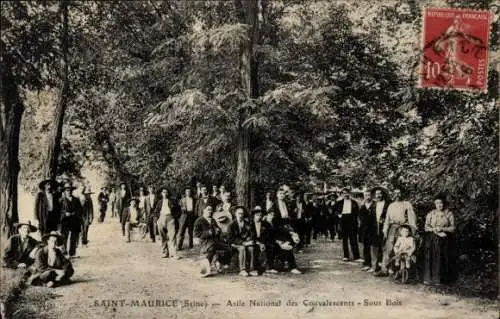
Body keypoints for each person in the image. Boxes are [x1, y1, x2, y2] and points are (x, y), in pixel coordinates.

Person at [378, 187, 416, 276]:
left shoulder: (407, 204)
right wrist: (385, 230)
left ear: (402, 194)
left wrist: (412, 230)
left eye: (399, 193)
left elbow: (412, 218)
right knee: (389, 248)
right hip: (392, 228)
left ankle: (400, 270)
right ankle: (384, 269)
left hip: (403, 229)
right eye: (395, 193)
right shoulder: (391, 205)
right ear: (393, 194)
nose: (397, 195)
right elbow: (387, 219)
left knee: (402, 248)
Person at [423, 195, 456, 285]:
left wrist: (442, 228)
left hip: (445, 239)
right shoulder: (431, 213)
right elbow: (426, 227)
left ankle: (440, 280)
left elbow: (453, 228)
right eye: (437, 203)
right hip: (432, 238)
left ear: (444, 203)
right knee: (430, 257)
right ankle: (429, 279)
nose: (439, 205)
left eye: (440, 203)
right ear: (434, 204)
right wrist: (433, 229)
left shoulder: (448, 213)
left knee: (442, 257)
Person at [194, 206, 230, 277]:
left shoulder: (213, 220)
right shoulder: (199, 220)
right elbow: (196, 234)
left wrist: (218, 231)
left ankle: (220, 263)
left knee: (228, 248)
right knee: (211, 249)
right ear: (203, 211)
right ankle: (206, 269)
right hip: (205, 242)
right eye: (208, 210)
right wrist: (208, 233)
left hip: (215, 241)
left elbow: (217, 229)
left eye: (211, 210)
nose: (210, 211)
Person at [228, 206, 257, 277]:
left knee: (251, 248)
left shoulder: (247, 223)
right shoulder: (232, 225)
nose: (240, 215)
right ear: (235, 214)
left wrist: (249, 240)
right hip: (235, 244)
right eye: (239, 213)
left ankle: (251, 269)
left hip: (246, 242)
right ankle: (242, 269)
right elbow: (231, 238)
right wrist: (243, 243)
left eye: (242, 213)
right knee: (242, 248)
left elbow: (252, 234)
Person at [333, 188, 361, 261]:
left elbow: (358, 212)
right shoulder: (339, 202)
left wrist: (357, 221)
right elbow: (334, 211)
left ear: (349, 193)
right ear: (342, 194)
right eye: (344, 193)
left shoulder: (354, 202)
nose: (345, 194)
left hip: (352, 220)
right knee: (344, 239)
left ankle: (356, 256)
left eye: (346, 193)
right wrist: (338, 215)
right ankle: (346, 256)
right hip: (343, 220)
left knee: (353, 239)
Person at [154, 187, 179, 258]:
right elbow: (155, 212)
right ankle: (165, 253)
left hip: (170, 218)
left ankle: (174, 253)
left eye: (166, 192)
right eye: (163, 192)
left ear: (168, 193)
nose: (165, 194)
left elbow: (178, 210)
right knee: (162, 236)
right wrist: (157, 220)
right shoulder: (159, 202)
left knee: (172, 236)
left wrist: (174, 217)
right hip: (161, 218)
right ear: (161, 194)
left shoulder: (173, 201)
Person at [59, 183, 83, 258]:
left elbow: (80, 210)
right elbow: (58, 211)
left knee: (74, 237)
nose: (68, 191)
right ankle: (64, 253)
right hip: (65, 221)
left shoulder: (76, 199)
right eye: (67, 190)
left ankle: (72, 253)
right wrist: (64, 214)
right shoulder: (61, 201)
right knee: (64, 237)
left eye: (70, 190)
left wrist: (75, 213)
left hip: (74, 220)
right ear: (64, 191)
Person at [370, 187, 389, 273]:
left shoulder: (387, 204)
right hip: (374, 228)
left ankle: (384, 268)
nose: (378, 195)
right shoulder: (373, 205)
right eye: (377, 194)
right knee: (374, 247)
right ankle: (375, 267)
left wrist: (385, 220)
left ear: (383, 194)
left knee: (385, 246)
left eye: (380, 193)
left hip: (384, 227)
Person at [250, 206, 273, 273]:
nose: (259, 217)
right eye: (257, 215)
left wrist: (263, 243)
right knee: (254, 249)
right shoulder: (249, 224)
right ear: (254, 216)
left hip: (263, 242)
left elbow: (268, 236)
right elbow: (250, 236)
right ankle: (255, 267)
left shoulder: (266, 224)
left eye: (260, 215)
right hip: (254, 242)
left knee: (271, 246)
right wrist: (258, 243)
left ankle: (269, 266)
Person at [359, 189, 374, 270]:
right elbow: (360, 217)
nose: (368, 197)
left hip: (373, 228)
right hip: (364, 229)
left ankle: (374, 263)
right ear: (364, 196)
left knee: (375, 246)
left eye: (369, 195)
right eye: (366, 195)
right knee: (366, 246)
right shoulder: (362, 205)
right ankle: (367, 263)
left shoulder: (375, 204)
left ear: (371, 196)